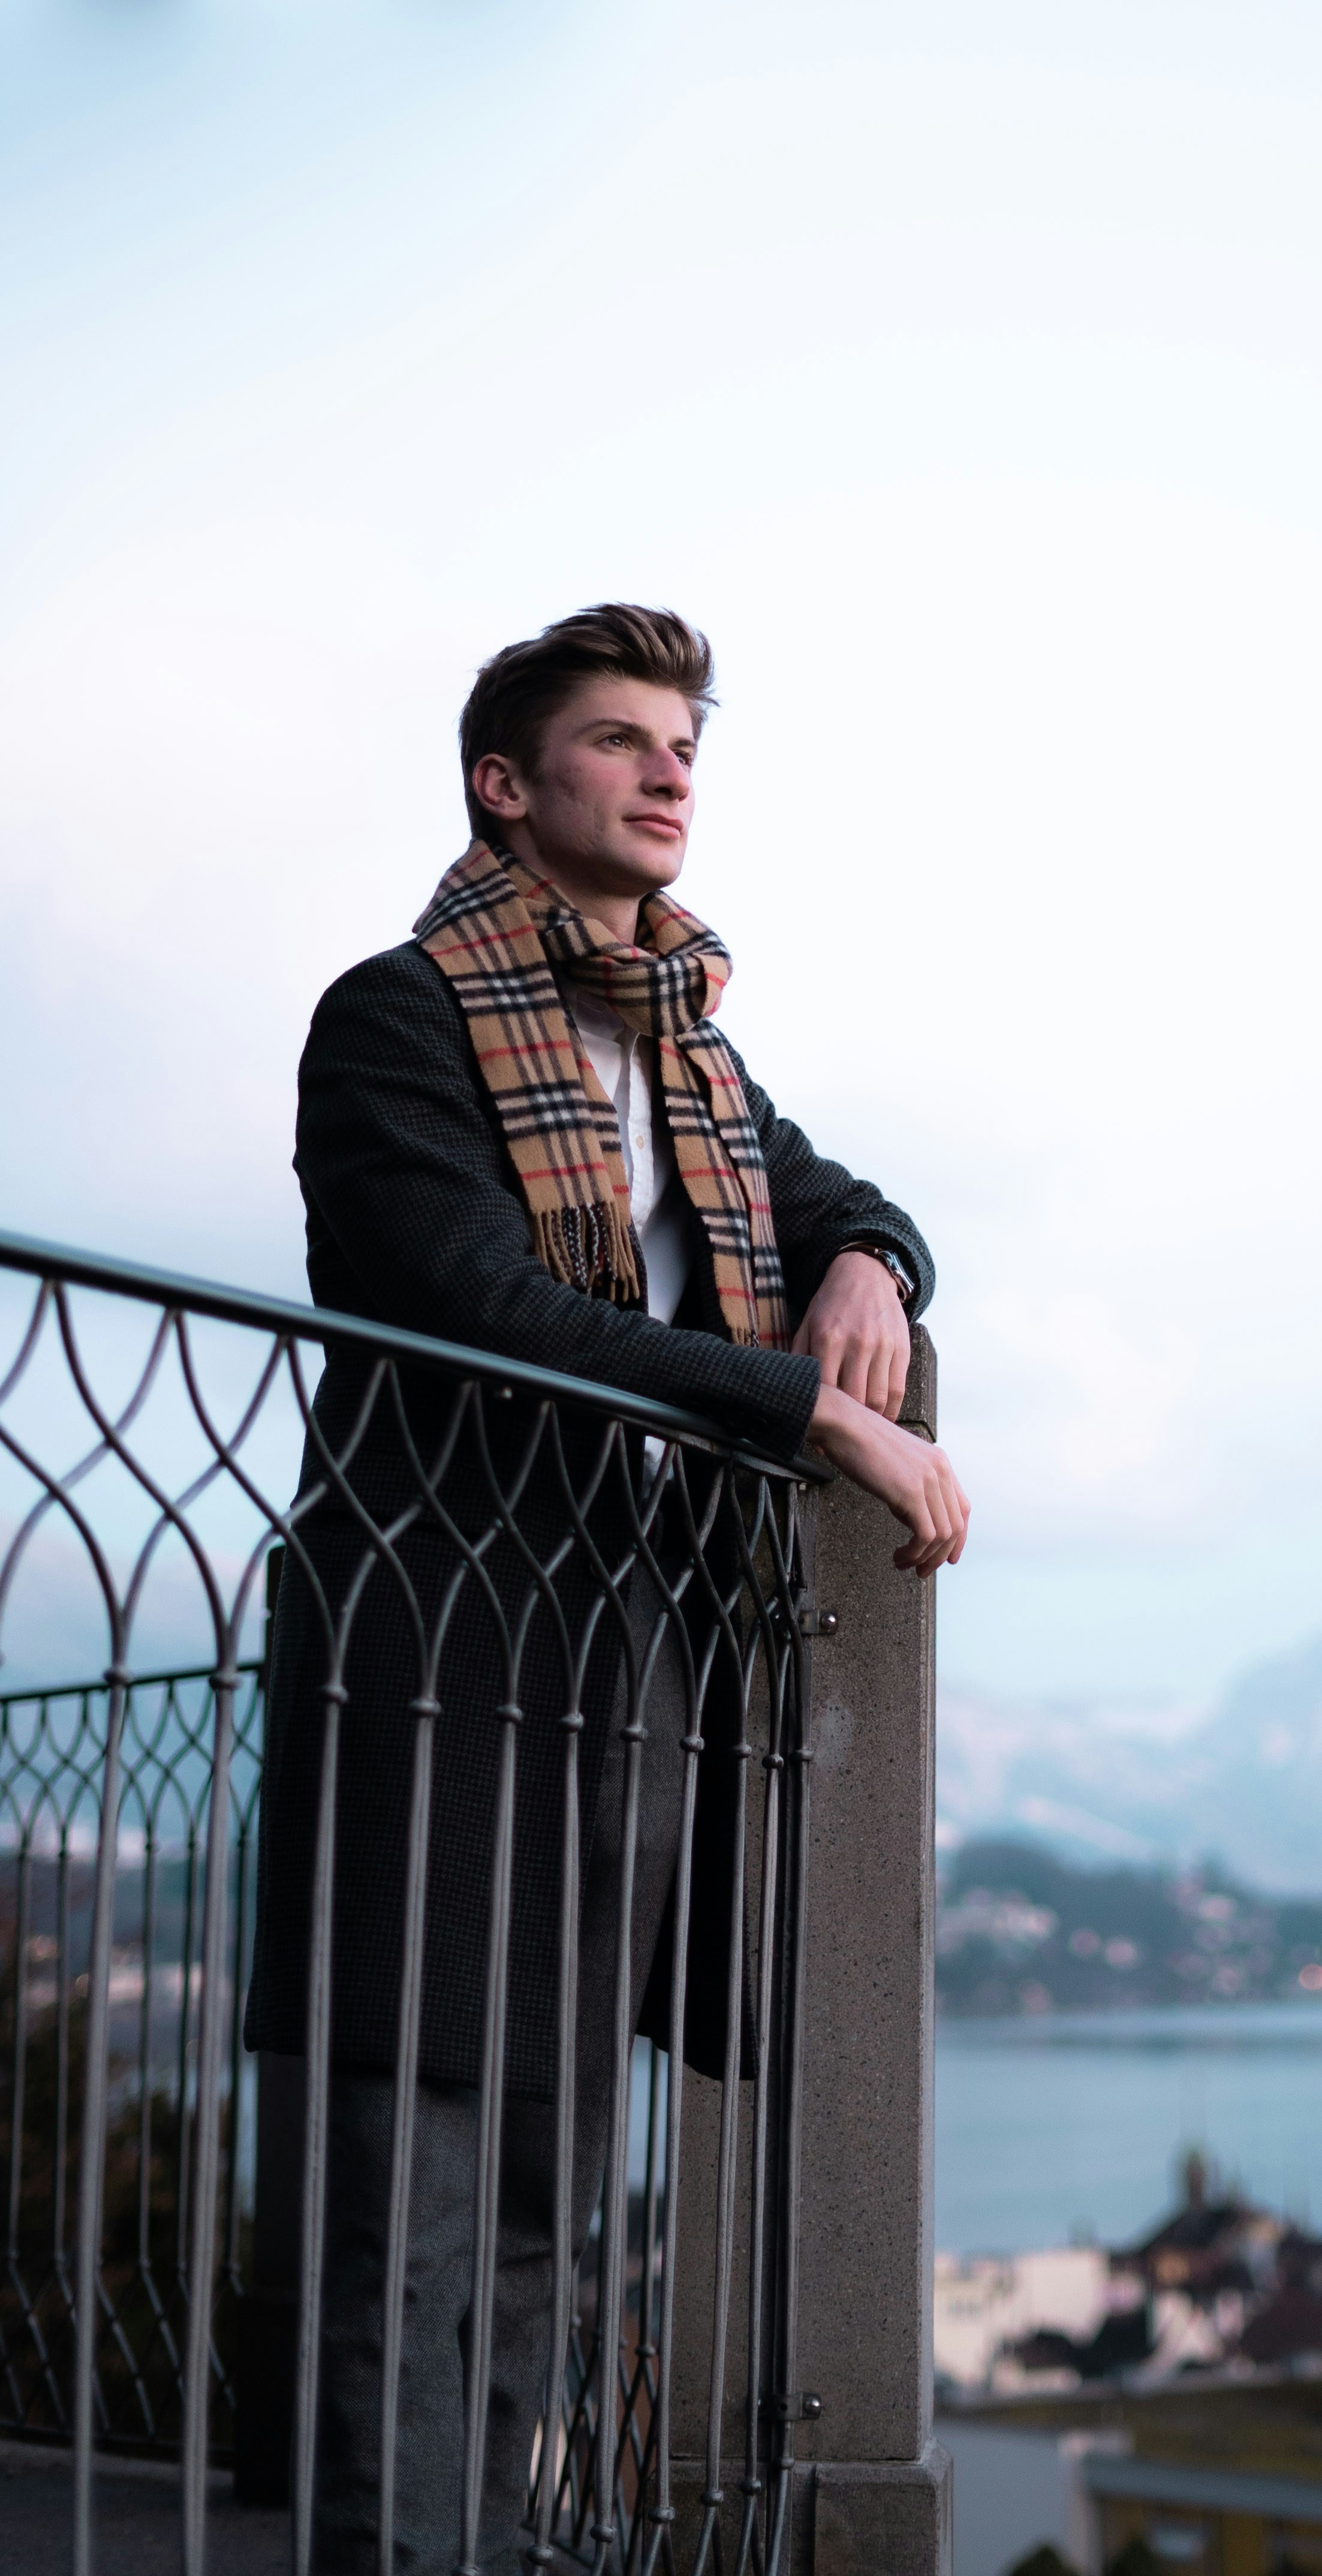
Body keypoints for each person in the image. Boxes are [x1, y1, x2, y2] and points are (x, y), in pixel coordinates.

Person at [243, 603, 968, 2571]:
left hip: (631, 1647)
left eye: (686, 745)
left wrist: (868, 1276)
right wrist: (815, 1413)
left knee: (559, 2183)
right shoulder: (398, 1013)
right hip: (440, 1638)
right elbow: (469, 1301)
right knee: (413, 2184)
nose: (672, 773)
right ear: (508, 780)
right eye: (624, 739)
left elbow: (859, 1201)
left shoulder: (694, 1061)